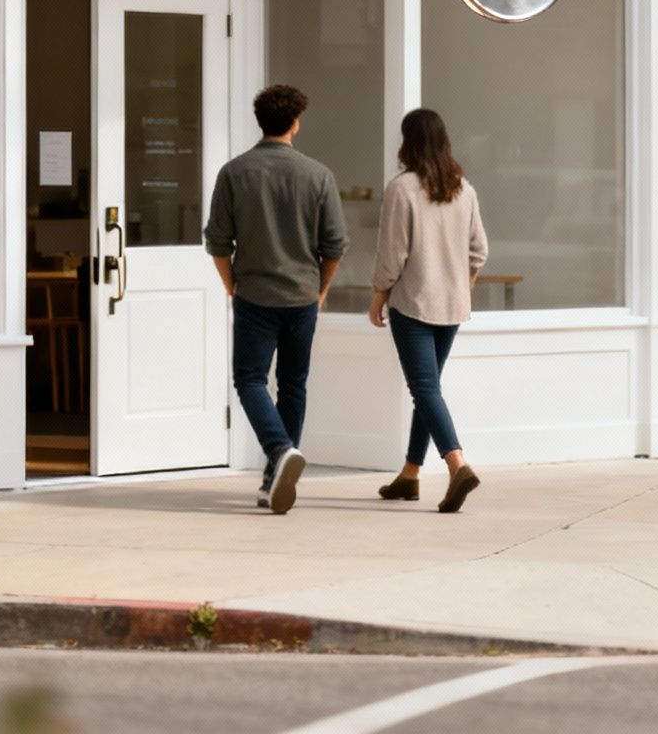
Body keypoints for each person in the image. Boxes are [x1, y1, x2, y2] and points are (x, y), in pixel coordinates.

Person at [205, 85, 348, 515]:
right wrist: (320, 290)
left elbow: (217, 243)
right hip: (302, 296)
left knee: (249, 380)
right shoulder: (318, 175)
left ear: (260, 121)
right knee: (292, 384)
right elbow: (335, 245)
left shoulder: (234, 172)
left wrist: (232, 286)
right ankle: (278, 468)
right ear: (296, 123)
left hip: (255, 295)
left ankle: (279, 453)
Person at [367, 108, 488, 513]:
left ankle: (458, 464)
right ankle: (409, 475)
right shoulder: (463, 189)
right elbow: (479, 251)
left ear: (408, 142)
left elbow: (392, 254)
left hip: (414, 304)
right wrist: (459, 287)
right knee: (428, 388)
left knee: (424, 389)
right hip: (452, 306)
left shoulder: (401, 189)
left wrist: (379, 295)